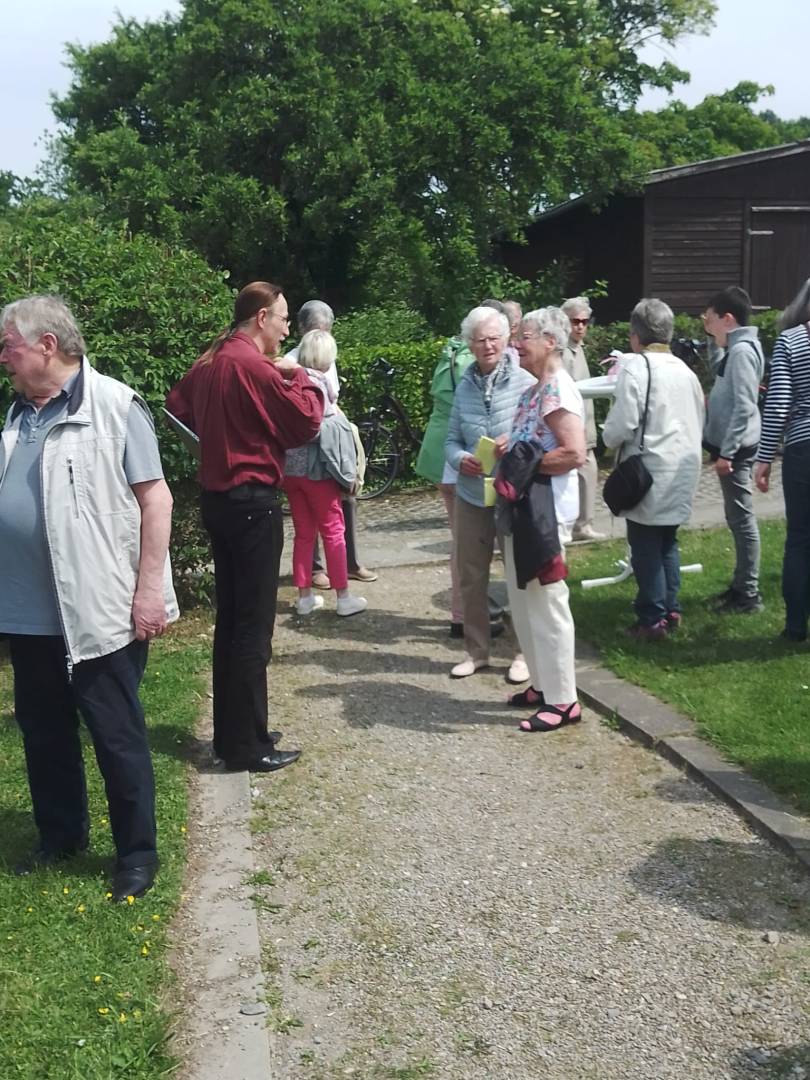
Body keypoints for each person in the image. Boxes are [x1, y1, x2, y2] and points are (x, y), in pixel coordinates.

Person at [0, 295, 178, 901]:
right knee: (43, 731)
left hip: (98, 609)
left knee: (116, 735)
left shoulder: (115, 405)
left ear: (46, 345)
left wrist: (148, 591)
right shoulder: (16, 415)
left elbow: (157, 499)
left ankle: (136, 854)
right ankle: (61, 836)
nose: (3, 358)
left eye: (9, 346)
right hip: (27, 614)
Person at [166, 282, 323, 773]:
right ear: (260, 318)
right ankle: (246, 747)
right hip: (251, 503)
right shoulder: (252, 365)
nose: (284, 328)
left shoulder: (210, 362)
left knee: (233, 621)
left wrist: (212, 445)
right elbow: (306, 421)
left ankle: (237, 734)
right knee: (252, 627)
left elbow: (176, 408)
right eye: (281, 318)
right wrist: (298, 375)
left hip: (220, 500)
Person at [500, 307, 586, 730]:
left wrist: (522, 464)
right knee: (525, 602)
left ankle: (564, 699)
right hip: (526, 511)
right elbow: (532, 443)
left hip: (545, 514)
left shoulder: (556, 390)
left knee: (548, 605)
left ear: (551, 341)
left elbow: (574, 453)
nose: (516, 343)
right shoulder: (536, 389)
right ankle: (542, 683)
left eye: (525, 336)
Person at [602, 299, 704, 640]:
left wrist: (607, 438)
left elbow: (621, 426)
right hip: (685, 468)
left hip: (649, 471)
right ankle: (671, 610)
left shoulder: (636, 368)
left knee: (645, 544)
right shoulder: (685, 371)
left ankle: (651, 619)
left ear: (634, 336)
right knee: (668, 543)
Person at [445, 305, 534, 677]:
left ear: (507, 339)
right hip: (471, 493)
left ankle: (522, 653)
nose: (487, 346)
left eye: (494, 338)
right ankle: (476, 651)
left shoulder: (526, 382)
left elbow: (536, 436)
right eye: (479, 340)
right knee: (471, 574)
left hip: (512, 493)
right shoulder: (463, 385)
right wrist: (462, 457)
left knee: (517, 574)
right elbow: (450, 441)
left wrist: (512, 440)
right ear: (469, 344)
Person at [290, 300, 378, 588]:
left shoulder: (327, 358)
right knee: (322, 524)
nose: (323, 336)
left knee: (344, 504)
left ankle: (348, 564)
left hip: (323, 450)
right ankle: (329, 580)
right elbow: (310, 421)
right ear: (302, 330)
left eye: (327, 330)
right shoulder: (292, 364)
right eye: (317, 330)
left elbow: (333, 401)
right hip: (313, 457)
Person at [283, 330, 367, 617]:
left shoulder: (287, 381)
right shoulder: (317, 385)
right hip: (318, 469)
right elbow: (319, 428)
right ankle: (343, 596)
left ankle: (305, 596)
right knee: (333, 531)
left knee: (304, 534)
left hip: (291, 470)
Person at [702, 286, 765, 614]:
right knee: (736, 516)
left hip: (737, 450)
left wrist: (727, 453)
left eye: (709, 319)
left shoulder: (741, 352)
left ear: (728, 319)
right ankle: (741, 586)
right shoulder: (738, 347)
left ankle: (749, 595)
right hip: (735, 446)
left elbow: (743, 406)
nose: (706, 326)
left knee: (742, 520)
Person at [754, 278, 810, 642]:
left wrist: (764, 458)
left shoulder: (792, 340)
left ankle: (794, 626)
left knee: (800, 539)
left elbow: (777, 406)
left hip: (803, 446)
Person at [415, 325, 474, 636]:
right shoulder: (470, 361)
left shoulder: (449, 350)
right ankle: (465, 615)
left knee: (460, 539)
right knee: (468, 541)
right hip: (460, 457)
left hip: (439, 449)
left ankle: (460, 614)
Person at [561, 296, 605, 542]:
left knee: (588, 473)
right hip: (575, 428)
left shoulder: (578, 349)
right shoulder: (564, 351)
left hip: (585, 426)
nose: (580, 326)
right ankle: (580, 525)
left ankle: (581, 524)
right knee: (585, 472)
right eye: (575, 321)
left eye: (584, 321)